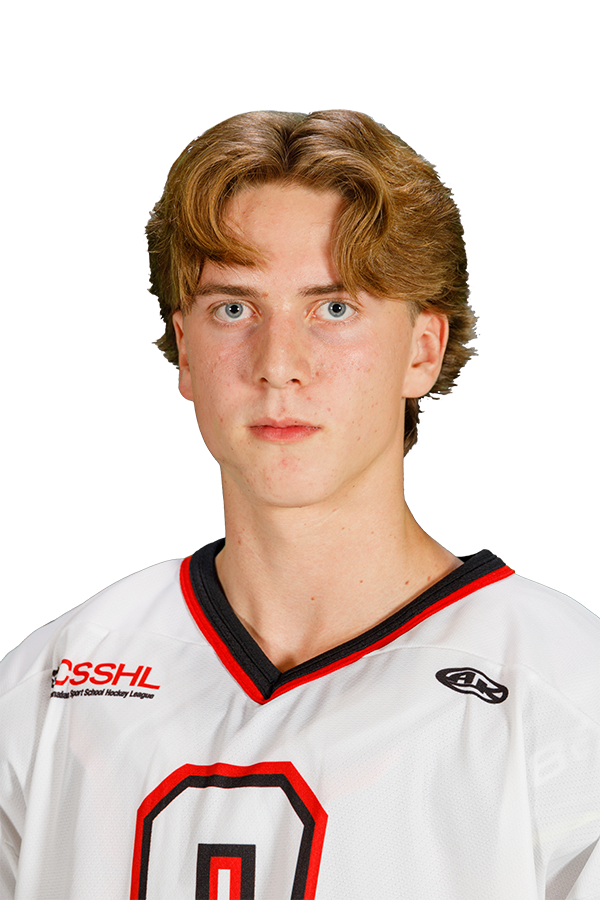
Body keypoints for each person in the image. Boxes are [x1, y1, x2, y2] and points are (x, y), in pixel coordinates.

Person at [1, 109, 599, 900]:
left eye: (335, 308)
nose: (279, 364)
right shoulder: (50, 684)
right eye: (234, 309)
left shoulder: (566, 694)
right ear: (184, 353)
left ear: (423, 349)